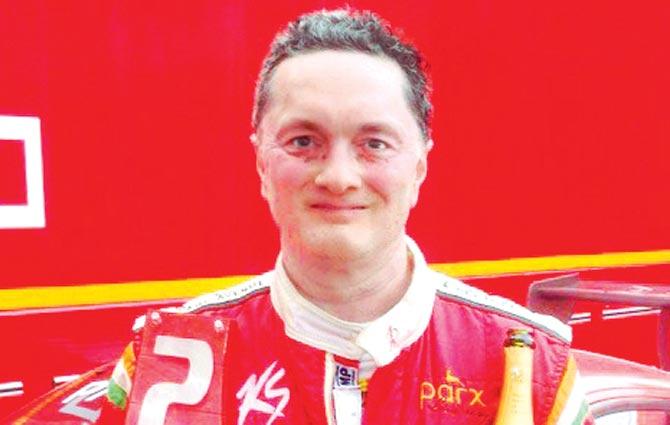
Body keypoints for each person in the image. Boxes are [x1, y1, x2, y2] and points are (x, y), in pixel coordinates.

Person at [103, 8, 593, 424]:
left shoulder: (536, 372)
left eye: (373, 144)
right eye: (303, 142)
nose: (338, 177)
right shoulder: (167, 358)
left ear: (419, 167)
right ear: (262, 165)